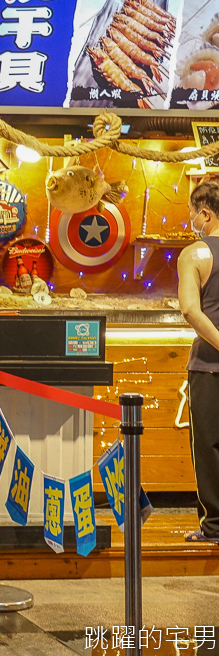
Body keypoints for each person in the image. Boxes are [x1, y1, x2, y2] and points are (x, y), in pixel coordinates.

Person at [178, 178, 219, 544]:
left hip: (209, 364)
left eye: (192, 213)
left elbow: (190, 309)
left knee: (208, 446)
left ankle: (215, 528)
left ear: (205, 213)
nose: (191, 220)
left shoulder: (195, 253)